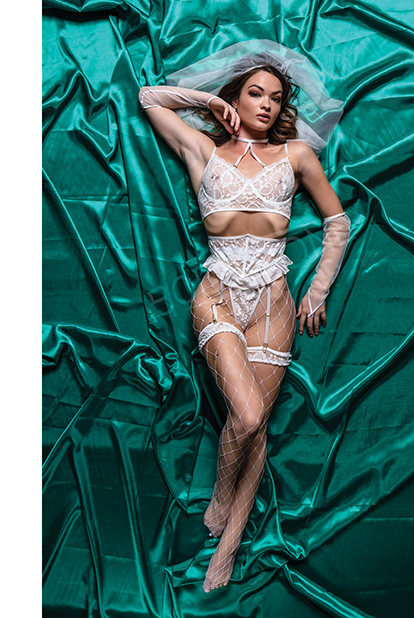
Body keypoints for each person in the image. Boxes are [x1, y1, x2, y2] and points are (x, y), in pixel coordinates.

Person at [138, 48, 350, 593]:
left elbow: (338, 222)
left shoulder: (296, 155)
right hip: (217, 295)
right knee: (249, 414)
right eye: (255, 93)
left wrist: (317, 289)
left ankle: (228, 544)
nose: (266, 104)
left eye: (276, 98)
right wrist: (209, 102)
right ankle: (220, 496)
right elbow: (149, 98)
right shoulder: (203, 149)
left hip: (275, 301)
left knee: (256, 429)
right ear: (236, 98)